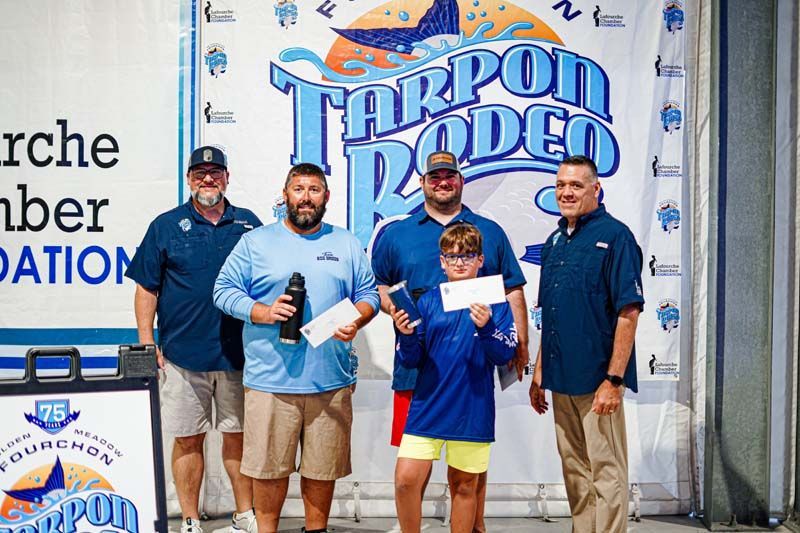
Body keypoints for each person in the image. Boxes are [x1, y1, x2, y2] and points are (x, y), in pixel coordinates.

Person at [213, 163, 380, 533]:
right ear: (285, 195)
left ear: (327, 197)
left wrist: (358, 319)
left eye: (314, 190)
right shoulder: (256, 242)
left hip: (329, 381)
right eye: (299, 189)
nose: (306, 198)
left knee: (323, 470)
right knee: (268, 471)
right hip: (271, 382)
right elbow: (223, 291)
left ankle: (316, 529)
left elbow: (368, 294)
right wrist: (263, 311)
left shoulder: (346, 243)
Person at [370, 150, 528, 533]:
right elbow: (378, 286)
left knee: (468, 476)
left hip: (471, 372)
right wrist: (400, 318)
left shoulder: (489, 229)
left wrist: (519, 346)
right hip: (420, 371)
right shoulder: (398, 232)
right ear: (424, 181)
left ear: (460, 181)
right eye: (435, 176)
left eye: (450, 176)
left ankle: (473, 526)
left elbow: (512, 290)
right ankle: (412, 525)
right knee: (411, 471)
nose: (443, 182)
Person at [125, 146, 261, 533]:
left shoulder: (249, 224)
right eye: (199, 173)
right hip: (183, 357)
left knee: (238, 439)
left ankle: (244, 514)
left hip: (240, 356)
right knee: (187, 440)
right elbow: (146, 288)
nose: (207, 179)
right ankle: (189, 519)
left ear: (227, 178)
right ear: (188, 179)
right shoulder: (165, 226)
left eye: (215, 172)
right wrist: (145, 342)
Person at [529, 155, 644, 533]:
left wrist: (614, 379)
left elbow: (628, 312)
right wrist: (539, 372)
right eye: (561, 184)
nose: (566, 192)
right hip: (561, 379)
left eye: (576, 185)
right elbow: (550, 314)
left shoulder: (616, 237)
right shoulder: (554, 241)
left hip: (598, 382)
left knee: (606, 472)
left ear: (596, 189)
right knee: (575, 471)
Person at [391, 223, 517, 533]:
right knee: (406, 480)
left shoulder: (496, 301)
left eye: (467, 256)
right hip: (428, 402)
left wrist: (487, 326)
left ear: (480, 260)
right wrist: (405, 334)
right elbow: (412, 358)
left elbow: (503, 355)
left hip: (472, 405)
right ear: (442, 262)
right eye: (452, 257)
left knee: (464, 486)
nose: (459, 262)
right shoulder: (429, 300)